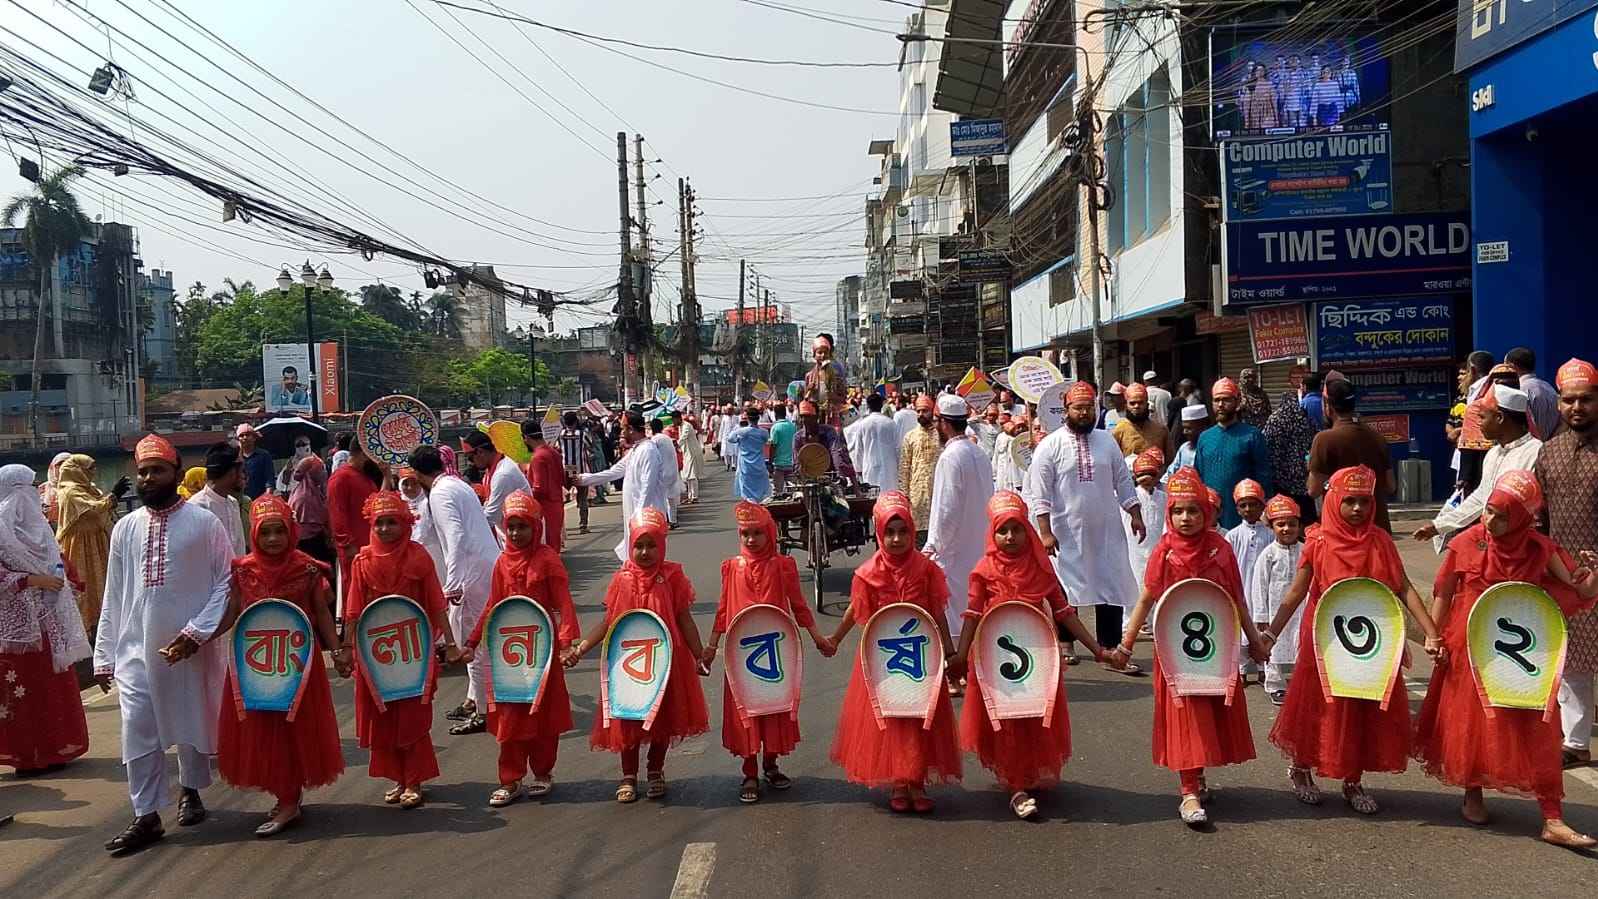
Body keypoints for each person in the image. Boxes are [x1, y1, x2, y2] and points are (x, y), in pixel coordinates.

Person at [1413, 471, 1598, 848]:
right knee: (1475, 722)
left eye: (1502, 515)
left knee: (1539, 725)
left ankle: (1552, 817)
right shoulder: (1466, 543)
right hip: (1470, 645)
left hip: (1524, 652)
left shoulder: (1540, 549)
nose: (1490, 521)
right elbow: (1444, 593)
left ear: (1523, 517)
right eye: (1489, 512)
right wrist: (1434, 635)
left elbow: (1578, 587)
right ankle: (1473, 793)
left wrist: (1592, 575)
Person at [1265, 465, 1443, 815]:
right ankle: (1301, 768)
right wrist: (1270, 633)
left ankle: (1352, 777)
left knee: (1362, 705)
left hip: (1371, 642)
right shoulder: (1318, 541)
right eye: (1349, 501)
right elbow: (1297, 592)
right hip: (1326, 641)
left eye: (1364, 501)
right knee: (1318, 706)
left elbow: (1403, 587)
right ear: (1333, 501)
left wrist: (1432, 632)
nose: (1358, 509)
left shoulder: (1380, 542)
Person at [93, 434, 236, 855]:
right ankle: (146, 815)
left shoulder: (204, 523)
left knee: (189, 724)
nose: (148, 478)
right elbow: (114, 593)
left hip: (189, 646)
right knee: (137, 729)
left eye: (157, 470)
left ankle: (190, 789)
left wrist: (197, 633)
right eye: (142, 471)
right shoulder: (125, 528)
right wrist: (104, 655)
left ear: (175, 472)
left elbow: (227, 581)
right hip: (136, 649)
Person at [1109, 467, 1270, 826]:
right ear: (1169, 514)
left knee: (1207, 712)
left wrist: (1255, 642)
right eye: (1178, 511)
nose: (1186, 518)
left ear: (1206, 513)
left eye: (1193, 510)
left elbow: (1237, 600)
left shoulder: (1221, 549)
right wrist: (1126, 644)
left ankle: (1197, 775)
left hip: (1215, 650)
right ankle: (1188, 793)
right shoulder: (1163, 552)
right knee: (1184, 714)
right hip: (1174, 654)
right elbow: (1147, 599)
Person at [952, 491, 1106, 819]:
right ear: (991, 534)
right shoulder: (983, 571)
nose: (1010, 537)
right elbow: (972, 616)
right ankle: (1015, 785)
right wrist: (960, 657)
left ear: (1028, 530)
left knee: (1033, 715)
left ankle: (1027, 773)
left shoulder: (1041, 568)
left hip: (1037, 658)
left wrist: (1097, 649)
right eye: (1002, 530)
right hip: (995, 660)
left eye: (1017, 529)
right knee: (1005, 718)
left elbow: (1064, 613)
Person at [213, 495, 347, 837]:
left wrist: (338, 651)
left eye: (280, 531)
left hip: (297, 663)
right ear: (254, 534)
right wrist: (196, 639)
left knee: (292, 729)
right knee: (265, 727)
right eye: (265, 532)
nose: (273, 539)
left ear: (292, 531)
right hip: (255, 663)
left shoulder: (307, 568)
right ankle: (286, 795)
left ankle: (288, 801)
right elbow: (232, 613)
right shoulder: (243, 569)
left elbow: (320, 613)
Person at [828, 491, 962, 812]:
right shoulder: (867, 573)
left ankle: (917, 781)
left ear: (913, 532)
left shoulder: (926, 570)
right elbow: (855, 610)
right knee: (890, 717)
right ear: (879, 533)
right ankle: (898, 782)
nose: (897, 538)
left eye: (903, 531)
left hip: (920, 658)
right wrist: (833, 639)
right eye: (889, 532)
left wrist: (950, 649)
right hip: (883, 661)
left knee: (919, 717)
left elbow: (938, 610)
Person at [563, 508, 708, 803]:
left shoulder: (672, 577)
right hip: (627, 664)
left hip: (665, 662)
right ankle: (628, 774)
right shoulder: (622, 580)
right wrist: (580, 649)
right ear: (630, 546)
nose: (644, 552)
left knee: (662, 719)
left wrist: (699, 654)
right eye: (639, 545)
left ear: (662, 545)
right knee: (627, 716)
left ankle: (656, 771)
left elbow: (684, 619)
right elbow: (608, 622)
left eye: (651, 545)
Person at [701, 502, 834, 804]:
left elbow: (799, 606)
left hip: (776, 652)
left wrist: (817, 638)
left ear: (770, 533)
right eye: (745, 534)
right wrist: (710, 647)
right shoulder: (732, 567)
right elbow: (723, 610)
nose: (751, 540)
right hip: (741, 656)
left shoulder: (782, 565)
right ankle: (749, 771)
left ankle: (770, 764)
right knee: (745, 710)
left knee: (774, 706)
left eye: (757, 533)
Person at [344, 490, 461, 810]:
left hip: (414, 652)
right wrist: (345, 647)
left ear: (405, 523)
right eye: (379, 523)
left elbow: (437, 605)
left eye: (392, 522)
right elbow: (354, 609)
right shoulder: (362, 561)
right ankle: (398, 777)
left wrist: (450, 644)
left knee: (410, 715)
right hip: (375, 654)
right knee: (384, 715)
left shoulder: (418, 557)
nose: (384, 529)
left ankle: (414, 779)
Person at [461, 491, 578, 807]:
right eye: (510, 526)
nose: (515, 533)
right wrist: (472, 641)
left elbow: (563, 603)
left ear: (535, 526)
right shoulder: (502, 562)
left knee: (542, 712)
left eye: (522, 526)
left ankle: (543, 772)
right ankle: (510, 778)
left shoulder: (548, 560)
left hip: (542, 648)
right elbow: (492, 606)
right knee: (510, 714)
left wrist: (567, 643)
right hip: (508, 652)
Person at [1031, 381, 1146, 671]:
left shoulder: (1106, 441)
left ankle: (1109, 647)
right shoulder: (1050, 446)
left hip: (1106, 530)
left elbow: (1122, 480)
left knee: (1111, 583)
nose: (1084, 413)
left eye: (1088, 407)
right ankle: (1066, 641)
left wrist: (1135, 513)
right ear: (1066, 410)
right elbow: (1039, 493)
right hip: (1066, 532)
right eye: (1078, 408)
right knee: (1067, 587)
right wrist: (1044, 531)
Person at [0, 464, 91, 775]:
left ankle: (55, 748)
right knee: (23, 691)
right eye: (28, 487)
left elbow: (56, 560)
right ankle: (28, 755)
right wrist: (32, 581)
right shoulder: (2, 531)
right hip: (18, 630)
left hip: (48, 620)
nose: (33, 494)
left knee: (50, 687)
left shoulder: (38, 529)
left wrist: (63, 580)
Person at [409, 445, 499, 737]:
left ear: (419, 473)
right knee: (479, 640)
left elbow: (456, 536)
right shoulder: (455, 484)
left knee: (468, 643)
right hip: (482, 566)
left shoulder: (439, 492)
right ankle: (476, 700)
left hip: (471, 573)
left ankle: (483, 711)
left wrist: (451, 584)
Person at [1539, 358, 1598, 769]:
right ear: (1559, 403)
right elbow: (1538, 515)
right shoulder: (1548, 452)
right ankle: (1576, 742)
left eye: (1586, 400)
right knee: (1572, 658)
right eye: (1570, 400)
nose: (1577, 407)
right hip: (1565, 575)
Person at [1413, 384, 1541, 545]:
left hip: (1523, 545)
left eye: (1482, 417)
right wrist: (1438, 526)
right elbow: (1482, 497)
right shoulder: (1493, 454)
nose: (1478, 423)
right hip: (1494, 541)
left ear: (1499, 418)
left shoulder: (1537, 453)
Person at [921, 395, 993, 644]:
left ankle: (957, 666)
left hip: (955, 550)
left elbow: (946, 509)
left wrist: (934, 547)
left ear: (943, 423)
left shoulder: (951, 457)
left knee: (954, 610)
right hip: (979, 543)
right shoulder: (978, 452)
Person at [576, 411, 674, 563]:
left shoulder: (648, 450)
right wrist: (584, 479)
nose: (621, 433)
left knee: (649, 561)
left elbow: (648, 486)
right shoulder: (636, 450)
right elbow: (614, 472)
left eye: (623, 429)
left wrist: (639, 518)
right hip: (636, 516)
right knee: (636, 561)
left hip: (647, 518)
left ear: (631, 430)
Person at [1306, 379, 1395, 531]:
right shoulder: (1377, 437)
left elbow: (1313, 490)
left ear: (1328, 406)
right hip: (1376, 530)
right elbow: (1391, 486)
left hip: (1341, 533)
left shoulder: (1324, 439)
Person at [54, 453, 127, 634]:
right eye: (89, 469)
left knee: (100, 583)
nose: (93, 473)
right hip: (80, 544)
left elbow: (101, 506)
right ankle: (83, 628)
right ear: (77, 471)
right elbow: (93, 509)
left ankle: (102, 624)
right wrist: (113, 496)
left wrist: (111, 498)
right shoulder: (70, 492)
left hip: (96, 541)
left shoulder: (88, 489)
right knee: (85, 585)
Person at [1194, 377, 1273, 529]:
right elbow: (1199, 476)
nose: (1221, 405)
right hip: (1211, 518)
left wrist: (1265, 510)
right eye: (1216, 400)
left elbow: (1264, 476)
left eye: (1226, 400)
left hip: (1244, 517)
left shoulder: (1252, 435)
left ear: (1237, 403)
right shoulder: (1205, 437)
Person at [1249, 495, 1304, 705]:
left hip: (1301, 608)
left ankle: (1300, 684)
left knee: (1301, 643)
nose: (1287, 529)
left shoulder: (1306, 551)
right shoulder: (1268, 555)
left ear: (1299, 526)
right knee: (1272, 645)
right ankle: (1275, 685)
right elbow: (1259, 585)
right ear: (1272, 527)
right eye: (1281, 524)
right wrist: (1261, 614)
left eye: (1292, 524)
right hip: (1275, 608)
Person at [1225, 479, 1272, 684]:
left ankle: (1264, 669)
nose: (1248, 509)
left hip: (1263, 590)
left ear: (1262, 505)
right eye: (1243, 505)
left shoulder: (1270, 535)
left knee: (1262, 627)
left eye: (1253, 504)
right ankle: (1242, 669)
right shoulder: (1232, 536)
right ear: (1236, 508)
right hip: (1241, 587)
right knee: (1240, 629)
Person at [327, 441, 380, 604]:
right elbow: (337, 515)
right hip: (354, 549)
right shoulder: (341, 478)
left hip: (371, 547)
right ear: (364, 453)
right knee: (354, 593)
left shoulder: (365, 476)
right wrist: (347, 545)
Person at [1261, 390, 1318, 526]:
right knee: (1305, 517)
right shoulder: (1305, 419)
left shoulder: (1275, 419)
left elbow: (1265, 442)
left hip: (1281, 477)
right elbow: (1315, 440)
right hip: (1302, 477)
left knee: (1283, 514)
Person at [464, 429, 531, 537]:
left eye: (470, 458)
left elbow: (491, 516)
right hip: (511, 534)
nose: (471, 463)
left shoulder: (502, 475)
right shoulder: (495, 468)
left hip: (519, 536)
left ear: (480, 452)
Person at [187, 442, 247, 558]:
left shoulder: (232, 503)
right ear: (231, 472)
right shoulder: (194, 509)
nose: (244, 476)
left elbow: (239, 551)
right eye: (241, 470)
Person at [1125, 448, 1167, 599]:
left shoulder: (1164, 497)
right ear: (1135, 476)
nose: (1147, 479)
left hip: (1158, 549)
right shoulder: (1128, 498)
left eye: (1151, 474)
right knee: (1135, 586)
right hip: (1134, 550)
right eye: (1142, 475)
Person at [899, 395, 942, 535]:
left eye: (925, 411)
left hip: (938, 493)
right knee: (918, 538)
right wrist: (904, 495)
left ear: (932, 411)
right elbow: (904, 467)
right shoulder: (910, 437)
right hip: (917, 497)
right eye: (918, 411)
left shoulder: (941, 435)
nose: (921, 414)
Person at [519, 421, 566, 551]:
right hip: (557, 503)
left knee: (546, 547)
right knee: (553, 545)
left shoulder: (538, 457)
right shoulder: (553, 452)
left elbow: (539, 488)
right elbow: (562, 478)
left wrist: (523, 496)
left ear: (526, 438)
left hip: (545, 507)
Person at [848, 392, 900, 492]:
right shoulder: (891, 423)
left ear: (868, 406)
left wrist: (858, 469)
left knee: (872, 499)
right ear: (881, 405)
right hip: (889, 469)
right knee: (889, 501)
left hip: (870, 468)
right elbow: (898, 448)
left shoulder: (863, 424)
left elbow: (859, 449)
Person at [1506, 346, 1560, 440]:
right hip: (1553, 445)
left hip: (1530, 450)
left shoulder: (1518, 392)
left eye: (1505, 367)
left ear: (1512, 367)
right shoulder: (1549, 387)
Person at [1111, 382, 1173, 462]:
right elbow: (1113, 461)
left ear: (1147, 405)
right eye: (1132, 403)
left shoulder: (1161, 430)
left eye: (1140, 403)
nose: (1136, 406)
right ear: (1126, 406)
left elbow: (1170, 461)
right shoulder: (1119, 430)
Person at [288, 451, 332, 563]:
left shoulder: (315, 491)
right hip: (309, 544)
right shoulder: (304, 497)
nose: (323, 473)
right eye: (320, 469)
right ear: (312, 472)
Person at [723, 408, 772, 504]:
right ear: (758, 418)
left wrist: (738, 429)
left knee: (747, 496)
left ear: (748, 419)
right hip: (759, 465)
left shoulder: (742, 432)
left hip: (746, 467)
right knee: (760, 494)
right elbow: (766, 440)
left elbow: (730, 438)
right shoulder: (763, 432)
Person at [804, 333, 849, 426]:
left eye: (825, 352)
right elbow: (806, 399)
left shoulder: (835, 371)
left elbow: (843, 396)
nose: (823, 355)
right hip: (815, 418)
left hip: (834, 417)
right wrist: (809, 390)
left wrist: (831, 396)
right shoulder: (809, 376)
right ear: (814, 355)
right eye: (819, 352)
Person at [648, 418, 684, 527]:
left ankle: (663, 522)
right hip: (672, 471)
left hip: (662, 473)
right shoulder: (667, 438)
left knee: (660, 499)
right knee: (671, 498)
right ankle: (673, 521)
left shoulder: (655, 440)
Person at [1163, 405, 1207, 484]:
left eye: (1189, 428)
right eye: (1184, 428)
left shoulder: (1211, 448)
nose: (1184, 432)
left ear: (1202, 427)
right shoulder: (1184, 448)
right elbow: (1171, 473)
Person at [237, 424, 276, 501]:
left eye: (247, 435)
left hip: (260, 500)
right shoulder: (236, 457)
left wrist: (267, 499)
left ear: (254, 438)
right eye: (241, 436)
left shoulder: (264, 455)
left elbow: (269, 481)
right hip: (240, 500)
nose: (244, 438)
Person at [767, 403, 797, 495]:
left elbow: (773, 446)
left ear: (776, 414)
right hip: (791, 463)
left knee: (778, 492)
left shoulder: (775, 427)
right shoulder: (792, 426)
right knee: (793, 491)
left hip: (778, 464)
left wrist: (770, 462)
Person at [676, 410, 704, 506]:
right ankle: (690, 496)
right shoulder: (680, 426)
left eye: (674, 420)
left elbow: (683, 437)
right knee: (688, 476)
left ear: (678, 418)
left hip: (692, 452)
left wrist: (676, 445)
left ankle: (694, 497)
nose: (674, 423)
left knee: (692, 475)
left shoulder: (686, 426)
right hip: (686, 453)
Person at [39, 451, 71, 527]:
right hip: (50, 530)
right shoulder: (43, 488)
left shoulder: (85, 487)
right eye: (59, 465)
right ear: (53, 467)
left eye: (67, 465)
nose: (62, 468)